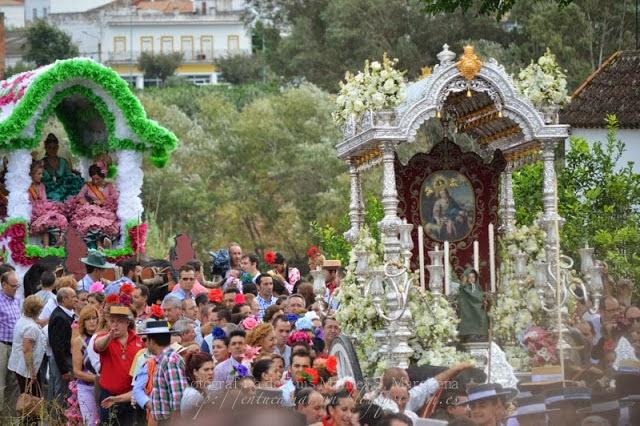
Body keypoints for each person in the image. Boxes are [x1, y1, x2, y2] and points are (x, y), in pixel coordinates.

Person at [93, 305, 145, 425]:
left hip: (131, 396)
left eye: (119, 321)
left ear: (127, 322)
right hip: (108, 395)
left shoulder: (139, 340)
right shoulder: (104, 338)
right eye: (112, 321)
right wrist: (109, 337)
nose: (115, 325)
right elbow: (98, 346)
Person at [7, 295, 46, 415]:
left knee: (27, 398)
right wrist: (32, 373)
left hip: (20, 366)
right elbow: (27, 350)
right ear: (38, 310)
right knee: (31, 401)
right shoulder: (31, 327)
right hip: (26, 369)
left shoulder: (23, 320)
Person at [71, 163, 120, 248]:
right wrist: (88, 203)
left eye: (98, 179)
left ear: (103, 176)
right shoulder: (88, 186)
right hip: (91, 211)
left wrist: (103, 202)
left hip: (106, 212)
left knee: (105, 223)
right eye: (93, 179)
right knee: (92, 222)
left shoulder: (110, 186)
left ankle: (105, 241)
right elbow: (79, 197)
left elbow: (114, 199)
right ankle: (99, 244)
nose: (95, 182)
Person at [148, 320, 189, 422]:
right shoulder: (166, 359)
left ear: (152, 341)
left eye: (146, 340)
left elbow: (179, 399)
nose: (145, 344)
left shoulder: (170, 361)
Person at [71, 305, 100, 425]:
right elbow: (77, 371)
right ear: (83, 322)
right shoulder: (79, 341)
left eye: (94, 318)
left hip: (105, 389)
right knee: (91, 423)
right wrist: (98, 379)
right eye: (88, 319)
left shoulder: (103, 337)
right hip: (87, 388)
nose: (92, 321)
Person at [48, 287, 77, 404]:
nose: (76, 299)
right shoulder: (60, 317)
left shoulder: (65, 314)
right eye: (73, 297)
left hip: (65, 360)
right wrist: (64, 370)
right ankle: (57, 419)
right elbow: (57, 346)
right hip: (63, 361)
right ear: (64, 299)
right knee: (62, 392)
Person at [28, 162, 68, 247]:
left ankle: (58, 242)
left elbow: (44, 201)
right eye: (39, 174)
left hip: (43, 210)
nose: (41, 176)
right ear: (32, 174)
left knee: (55, 217)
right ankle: (50, 245)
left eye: (42, 174)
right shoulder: (27, 186)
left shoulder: (41, 186)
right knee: (46, 219)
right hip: (32, 213)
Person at [39, 133, 84, 202]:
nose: (52, 150)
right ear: (46, 148)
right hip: (47, 191)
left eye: (54, 148)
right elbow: (37, 177)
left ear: (57, 147)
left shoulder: (63, 161)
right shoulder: (41, 163)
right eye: (49, 147)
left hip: (64, 190)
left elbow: (69, 176)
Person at [457, 268, 489, 342]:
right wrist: (481, 297)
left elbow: (479, 295)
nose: (471, 279)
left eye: (473, 277)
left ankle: (480, 334)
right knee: (470, 319)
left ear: (476, 278)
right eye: (469, 277)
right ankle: (470, 335)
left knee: (482, 316)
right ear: (467, 278)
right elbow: (474, 295)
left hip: (478, 308)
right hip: (469, 309)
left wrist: (484, 300)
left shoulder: (477, 286)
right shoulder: (465, 287)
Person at [181, 351, 215, 416]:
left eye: (212, 369)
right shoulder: (194, 395)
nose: (211, 372)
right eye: (206, 369)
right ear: (195, 372)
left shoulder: (204, 389)